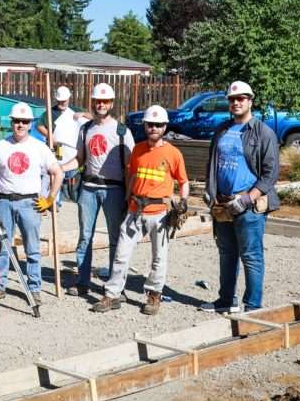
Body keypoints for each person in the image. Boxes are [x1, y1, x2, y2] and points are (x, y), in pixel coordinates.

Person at [93, 105, 188, 315]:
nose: (153, 128)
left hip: (160, 212)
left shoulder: (173, 153)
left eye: (158, 125)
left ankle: (154, 295)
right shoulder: (138, 149)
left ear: (164, 127)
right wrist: (127, 200)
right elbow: (132, 176)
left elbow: (183, 181)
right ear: (145, 126)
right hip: (135, 210)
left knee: (159, 257)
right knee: (121, 254)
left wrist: (182, 202)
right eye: (150, 124)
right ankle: (112, 294)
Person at [201, 81, 280, 313]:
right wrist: (210, 190)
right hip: (223, 203)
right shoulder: (222, 131)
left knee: (251, 255)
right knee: (227, 254)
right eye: (233, 99)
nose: (236, 102)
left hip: (248, 206)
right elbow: (212, 164)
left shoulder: (263, 133)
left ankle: (253, 305)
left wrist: (247, 199)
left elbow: (270, 175)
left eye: (241, 98)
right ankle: (226, 300)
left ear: (250, 101)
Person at [0, 101, 63, 303]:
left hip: (30, 204)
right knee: (2, 247)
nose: (20, 125)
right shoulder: (0, 147)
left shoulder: (39, 148)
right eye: (17, 121)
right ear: (12, 122)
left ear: (31, 124)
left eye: (24, 122)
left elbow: (58, 172)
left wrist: (50, 198)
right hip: (4, 202)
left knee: (33, 248)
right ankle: (0, 285)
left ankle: (34, 287)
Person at [67, 82, 135, 296]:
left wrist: (128, 195)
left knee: (116, 238)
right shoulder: (86, 129)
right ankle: (82, 281)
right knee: (85, 236)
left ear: (111, 103)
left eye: (105, 101)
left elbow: (130, 166)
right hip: (88, 188)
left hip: (114, 190)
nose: (101, 104)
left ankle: (116, 285)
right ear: (93, 102)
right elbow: (79, 159)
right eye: (97, 101)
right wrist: (58, 168)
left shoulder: (122, 131)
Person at [37, 85, 87, 204]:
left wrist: (83, 114)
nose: (62, 103)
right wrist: (51, 137)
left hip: (71, 148)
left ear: (68, 99)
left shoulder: (74, 110)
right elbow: (39, 125)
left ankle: (60, 197)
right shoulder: (50, 112)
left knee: (65, 172)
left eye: (64, 100)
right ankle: (52, 200)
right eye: (60, 101)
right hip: (57, 147)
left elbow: (92, 118)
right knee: (53, 171)